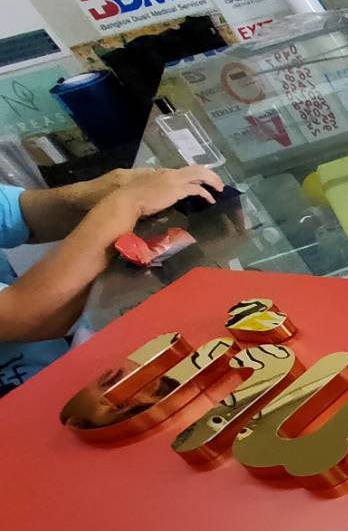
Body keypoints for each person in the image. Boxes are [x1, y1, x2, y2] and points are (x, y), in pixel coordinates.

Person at [0, 166, 224, 396]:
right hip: (29, 401)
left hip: (68, 363)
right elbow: (27, 315)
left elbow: (18, 213)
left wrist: (94, 194)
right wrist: (129, 202)